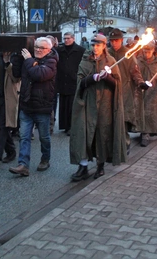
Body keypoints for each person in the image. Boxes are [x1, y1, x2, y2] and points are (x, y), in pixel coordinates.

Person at [70, 34, 127, 181]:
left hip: (105, 104)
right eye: (93, 45)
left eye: (98, 45)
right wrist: (91, 78)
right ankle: (83, 166)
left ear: (104, 46)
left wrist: (107, 77)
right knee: (83, 133)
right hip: (87, 103)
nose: (95, 48)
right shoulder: (85, 60)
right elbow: (79, 82)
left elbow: (117, 85)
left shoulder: (111, 61)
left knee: (102, 133)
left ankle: (100, 165)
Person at [9, 37, 58, 176]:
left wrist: (29, 60)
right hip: (27, 105)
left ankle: (45, 159)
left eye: (41, 48)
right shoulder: (28, 59)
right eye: (36, 46)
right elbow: (16, 74)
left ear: (49, 50)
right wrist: (17, 57)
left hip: (42, 106)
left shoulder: (52, 61)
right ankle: (23, 164)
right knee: (24, 137)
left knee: (44, 137)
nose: (38, 49)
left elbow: (39, 74)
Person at [108, 28, 149, 153]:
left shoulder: (128, 54)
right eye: (111, 41)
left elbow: (135, 71)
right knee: (109, 118)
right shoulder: (107, 53)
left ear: (121, 40)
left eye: (116, 40)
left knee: (123, 118)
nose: (114, 43)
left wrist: (141, 83)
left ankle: (124, 143)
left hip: (124, 91)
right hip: (109, 90)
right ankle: (110, 145)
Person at [56, 32, 86, 136]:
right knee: (63, 105)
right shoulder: (60, 50)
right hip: (62, 81)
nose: (66, 40)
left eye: (68, 38)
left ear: (73, 38)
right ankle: (64, 125)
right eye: (64, 38)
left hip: (73, 80)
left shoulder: (80, 50)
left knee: (71, 105)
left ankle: (71, 126)